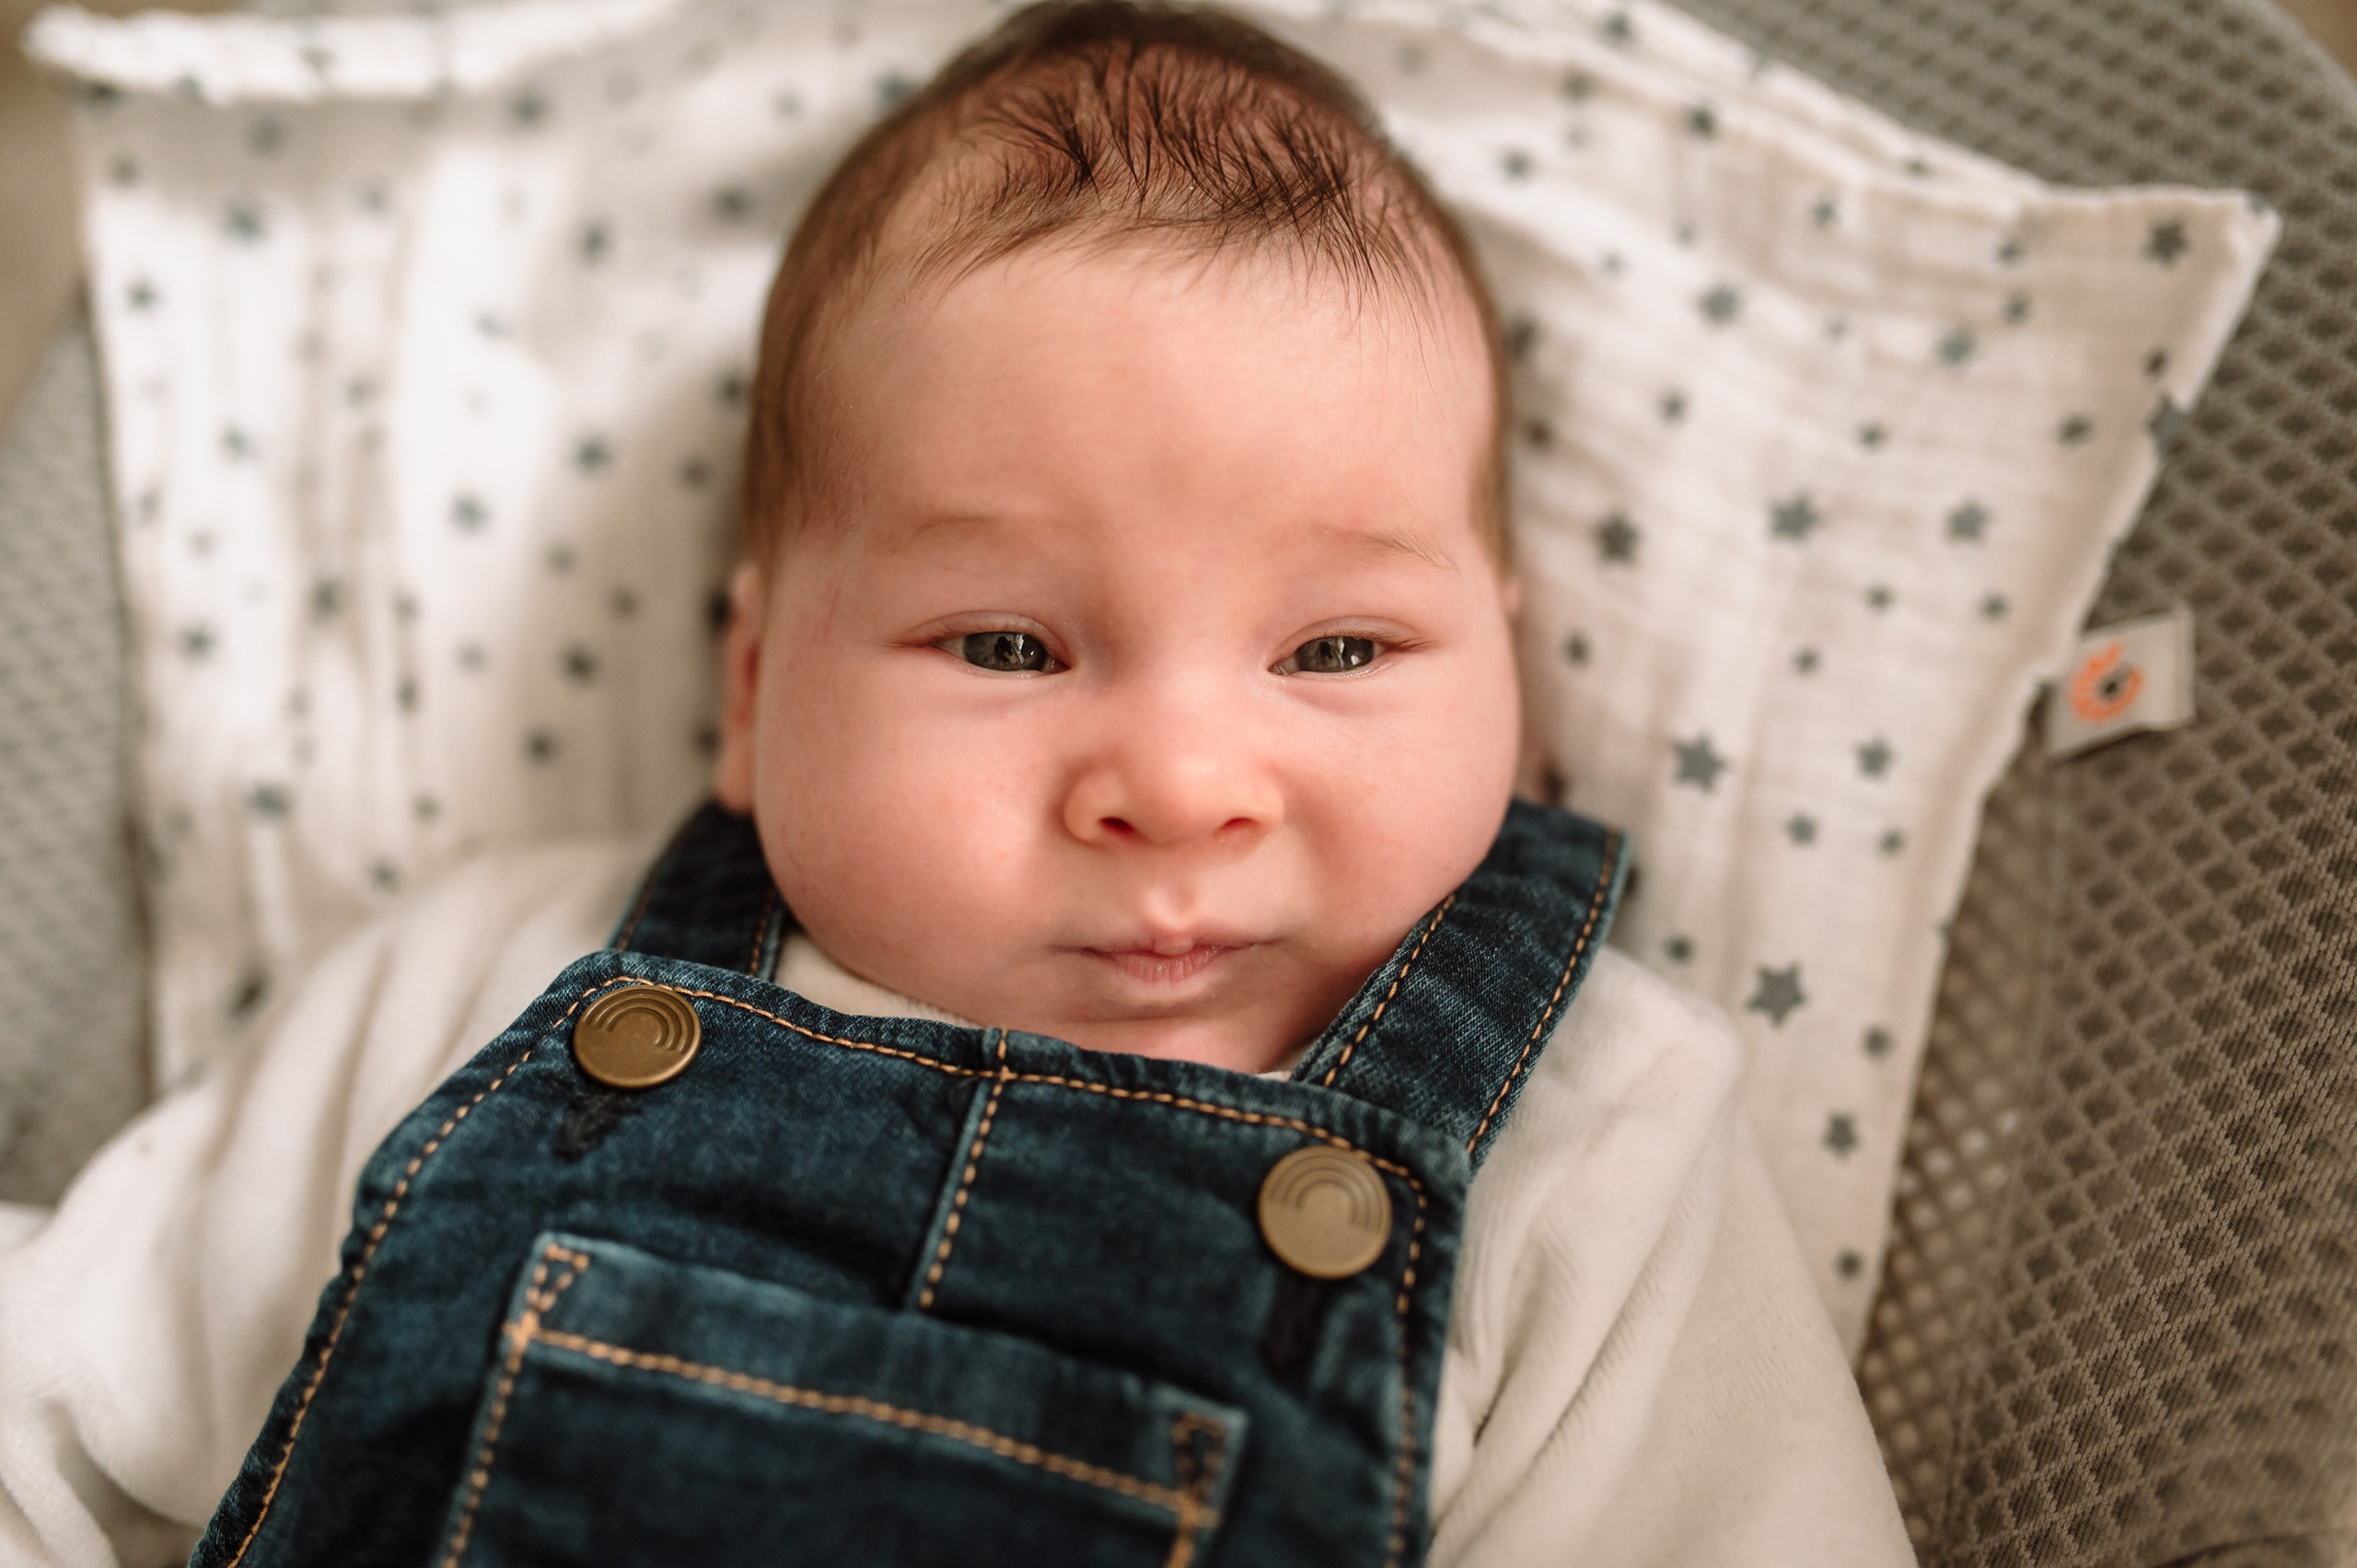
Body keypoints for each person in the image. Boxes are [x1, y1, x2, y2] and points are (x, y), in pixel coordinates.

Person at [0, 3, 1913, 1563]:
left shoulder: (1585, 1138)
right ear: (751, 693)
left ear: (1511, 669)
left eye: (1336, 652)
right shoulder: (500, 981)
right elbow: (55, 1412)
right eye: (1004, 646)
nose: (1176, 787)